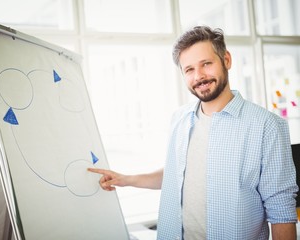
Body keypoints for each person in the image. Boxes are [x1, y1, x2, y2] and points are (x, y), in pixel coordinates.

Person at [88, 26, 298, 240]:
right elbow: (176, 174)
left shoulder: (267, 125)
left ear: (226, 60)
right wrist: (126, 179)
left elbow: (281, 208)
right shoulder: (179, 120)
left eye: (206, 64)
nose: (199, 76)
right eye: (189, 69)